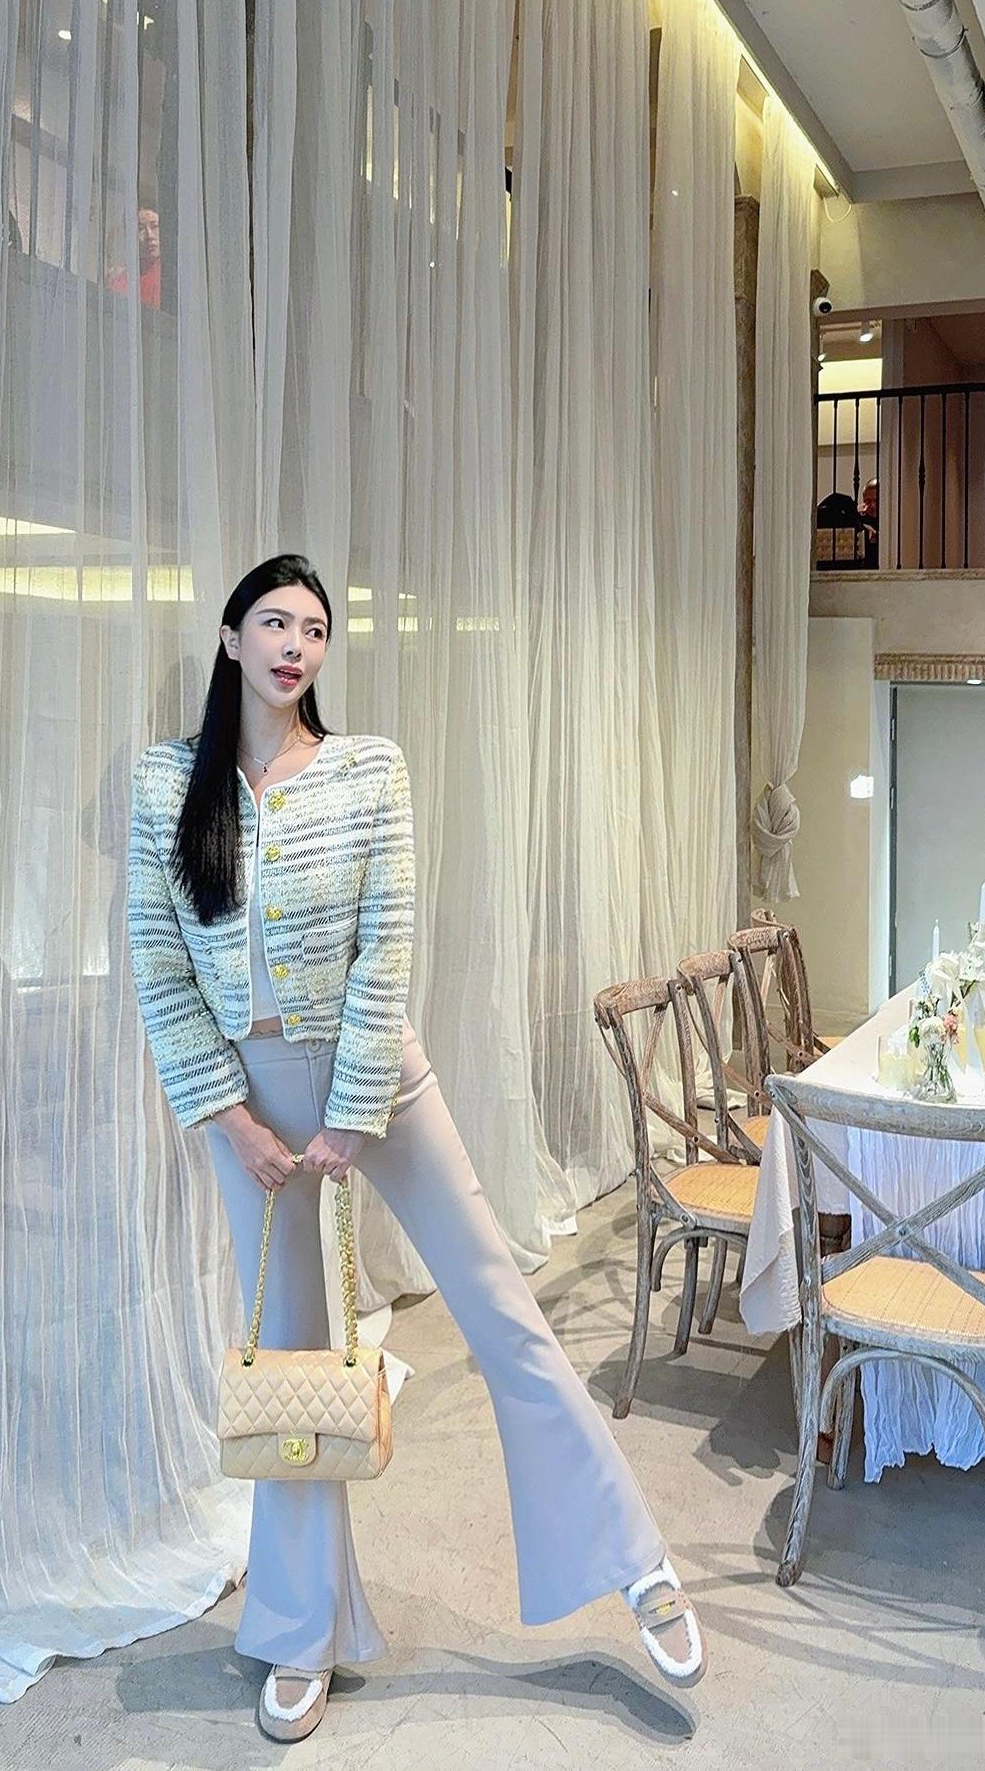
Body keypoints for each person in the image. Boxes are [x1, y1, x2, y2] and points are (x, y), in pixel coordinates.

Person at [127, 553, 706, 1744]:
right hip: (247, 1099)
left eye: (314, 629)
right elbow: (161, 965)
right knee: (296, 1358)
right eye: (273, 622)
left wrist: (349, 1112)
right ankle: (300, 1632)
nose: (295, 645)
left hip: (377, 1078)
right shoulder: (165, 786)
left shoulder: (369, 771)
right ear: (230, 639)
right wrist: (234, 1120)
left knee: (500, 1306)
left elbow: (387, 943)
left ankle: (634, 1560)